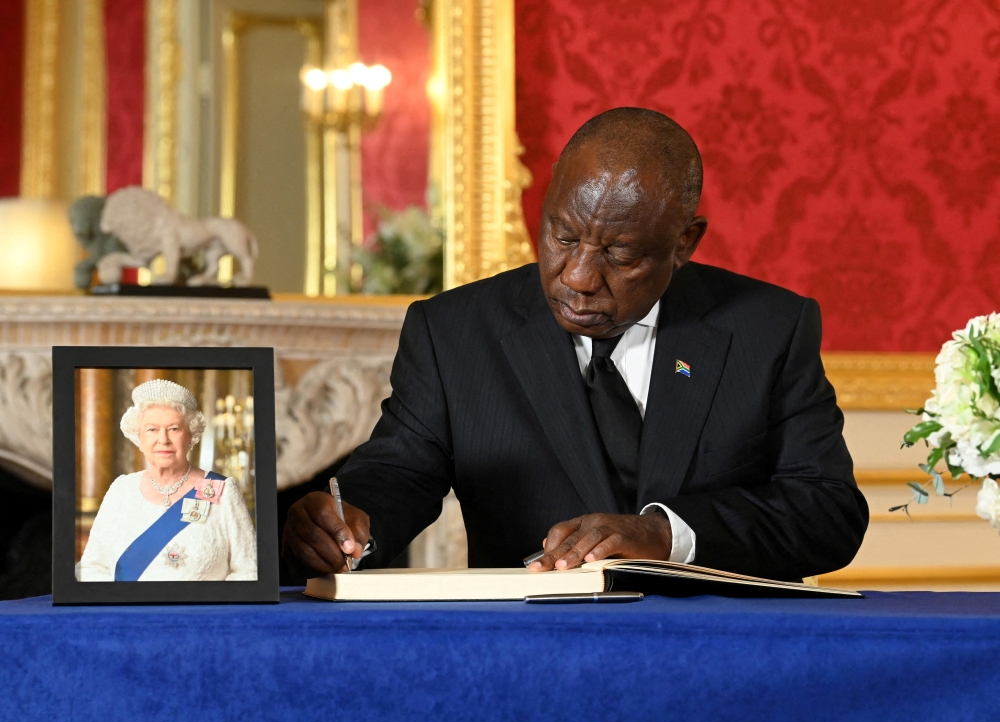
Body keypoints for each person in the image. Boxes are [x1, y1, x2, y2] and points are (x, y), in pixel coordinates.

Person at [282, 107, 869, 581]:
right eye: (562, 236)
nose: (579, 277)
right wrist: (346, 521)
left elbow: (828, 513)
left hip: (725, 656)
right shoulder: (456, 332)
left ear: (684, 242)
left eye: (619, 254)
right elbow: (399, 473)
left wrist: (667, 535)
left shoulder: (766, 329)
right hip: (532, 654)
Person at [77, 379, 257, 581]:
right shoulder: (121, 489)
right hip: (129, 612)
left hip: (201, 612)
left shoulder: (220, 489)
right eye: (152, 429)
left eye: (174, 429)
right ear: (139, 437)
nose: (163, 439)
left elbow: (248, 572)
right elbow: (92, 568)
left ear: (190, 435)